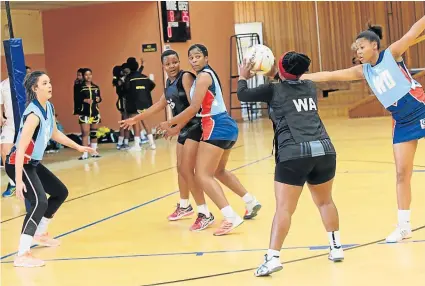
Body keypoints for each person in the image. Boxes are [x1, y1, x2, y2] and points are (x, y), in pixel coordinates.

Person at [302, 17, 425, 243]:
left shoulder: (392, 54)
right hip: (401, 121)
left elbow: (412, 32)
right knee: (401, 174)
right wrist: (300, 78)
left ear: (374, 46)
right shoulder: (363, 71)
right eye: (356, 49)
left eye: (361, 47)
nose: (358, 51)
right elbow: (330, 75)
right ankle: (404, 226)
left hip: (421, 110)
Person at [237, 52, 344, 276]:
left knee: (284, 209)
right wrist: (275, 72)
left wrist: (243, 76)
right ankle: (336, 247)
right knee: (325, 202)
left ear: (281, 69)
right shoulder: (309, 86)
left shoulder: (273, 90)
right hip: (324, 150)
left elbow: (243, 95)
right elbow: (288, 79)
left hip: (294, 153)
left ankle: (273, 257)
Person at [159, 44, 261, 236]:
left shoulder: (204, 76)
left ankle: (230, 217)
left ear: (206, 57)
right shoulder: (204, 75)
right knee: (219, 171)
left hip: (216, 125)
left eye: (198, 56)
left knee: (202, 175)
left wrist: (170, 123)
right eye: (191, 57)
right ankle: (250, 201)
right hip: (226, 125)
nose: (194, 60)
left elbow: (193, 108)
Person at [5, 71, 96, 267]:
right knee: (39, 202)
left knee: (60, 192)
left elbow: (54, 133)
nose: (49, 85)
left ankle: (40, 233)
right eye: (44, 83)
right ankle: (22, 254)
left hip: (33, 163)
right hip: (18, 164)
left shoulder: (48, 107)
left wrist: (78, 146)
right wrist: (19, 180)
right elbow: (20, 148)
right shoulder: (32, 114)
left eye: (50, 82)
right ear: (34, 88)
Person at [1, 66, 32, 198]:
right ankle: (12, 183)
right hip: (9, 124)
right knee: (4, 152)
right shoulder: (3, 85)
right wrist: (1, 116)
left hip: (25, 123)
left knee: (26, 153)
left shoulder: (27, 85)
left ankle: (28, 182)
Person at [124, 57, 156, 150]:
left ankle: (137, 145)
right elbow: (152, 85)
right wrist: (145, 92)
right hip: (145, 103)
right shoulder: (144, 77)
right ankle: (152, 143)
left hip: (134, 103)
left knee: (135, 123)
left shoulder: (129, 78)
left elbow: (126, 89)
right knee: (145, 122)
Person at [74, 68, 102, 160]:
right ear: (83, 76)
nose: (88, 76)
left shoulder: (96, 87)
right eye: (86, 75)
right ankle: (85, 153)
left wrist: (99, 99)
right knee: (85, 133)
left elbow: (99, 98)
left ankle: (94, 151)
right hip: (84, 113)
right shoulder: (79, 87)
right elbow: (76, 99)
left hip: (95, 112)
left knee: (94, 133)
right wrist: (84, 100)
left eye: (90, 74)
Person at [113, 65, 130, 150]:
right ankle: (121, 142)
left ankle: (125, 142)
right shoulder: (119, 81)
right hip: (123, 103)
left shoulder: (123, 79)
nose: (123, 72)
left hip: (126, 102)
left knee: (126, 122)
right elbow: (123, 91)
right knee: (124, 123)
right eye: (122, 71)